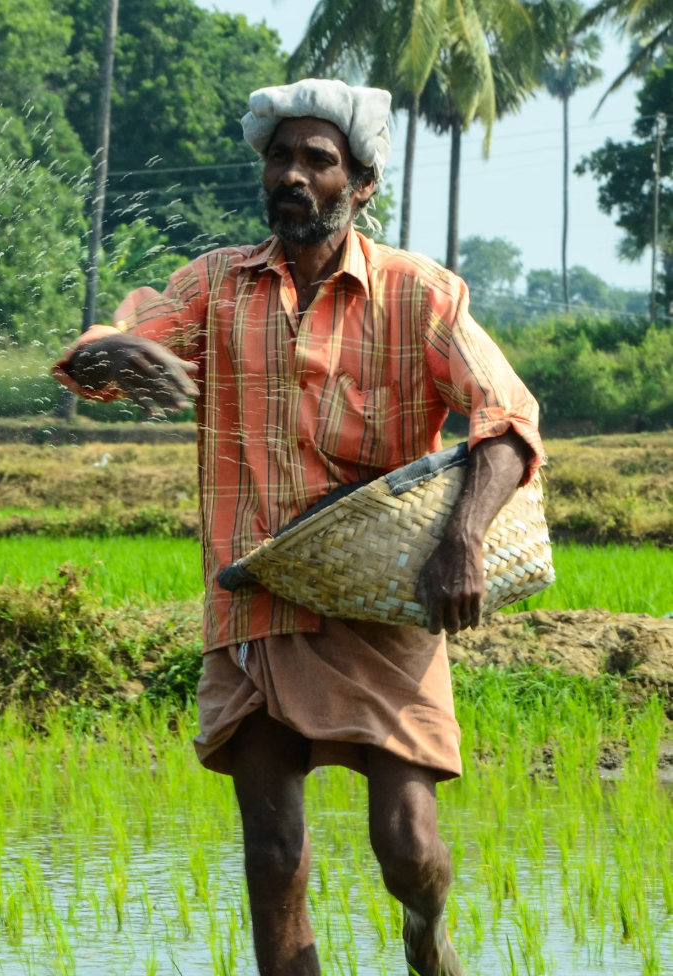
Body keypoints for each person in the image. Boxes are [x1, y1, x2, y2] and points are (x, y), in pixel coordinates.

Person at [52, 78, 545, 976]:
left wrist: (462, 539)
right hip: (256, 600)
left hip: (380, 599)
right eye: (279, 157)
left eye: (316, 160)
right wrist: (115, 354)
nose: (291, 174)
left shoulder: (417, 295)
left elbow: (506, 423)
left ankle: (426, 931)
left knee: (407, 847)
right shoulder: (215, 285)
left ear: (360, 183)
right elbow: (105, 354)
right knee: (274, 854)